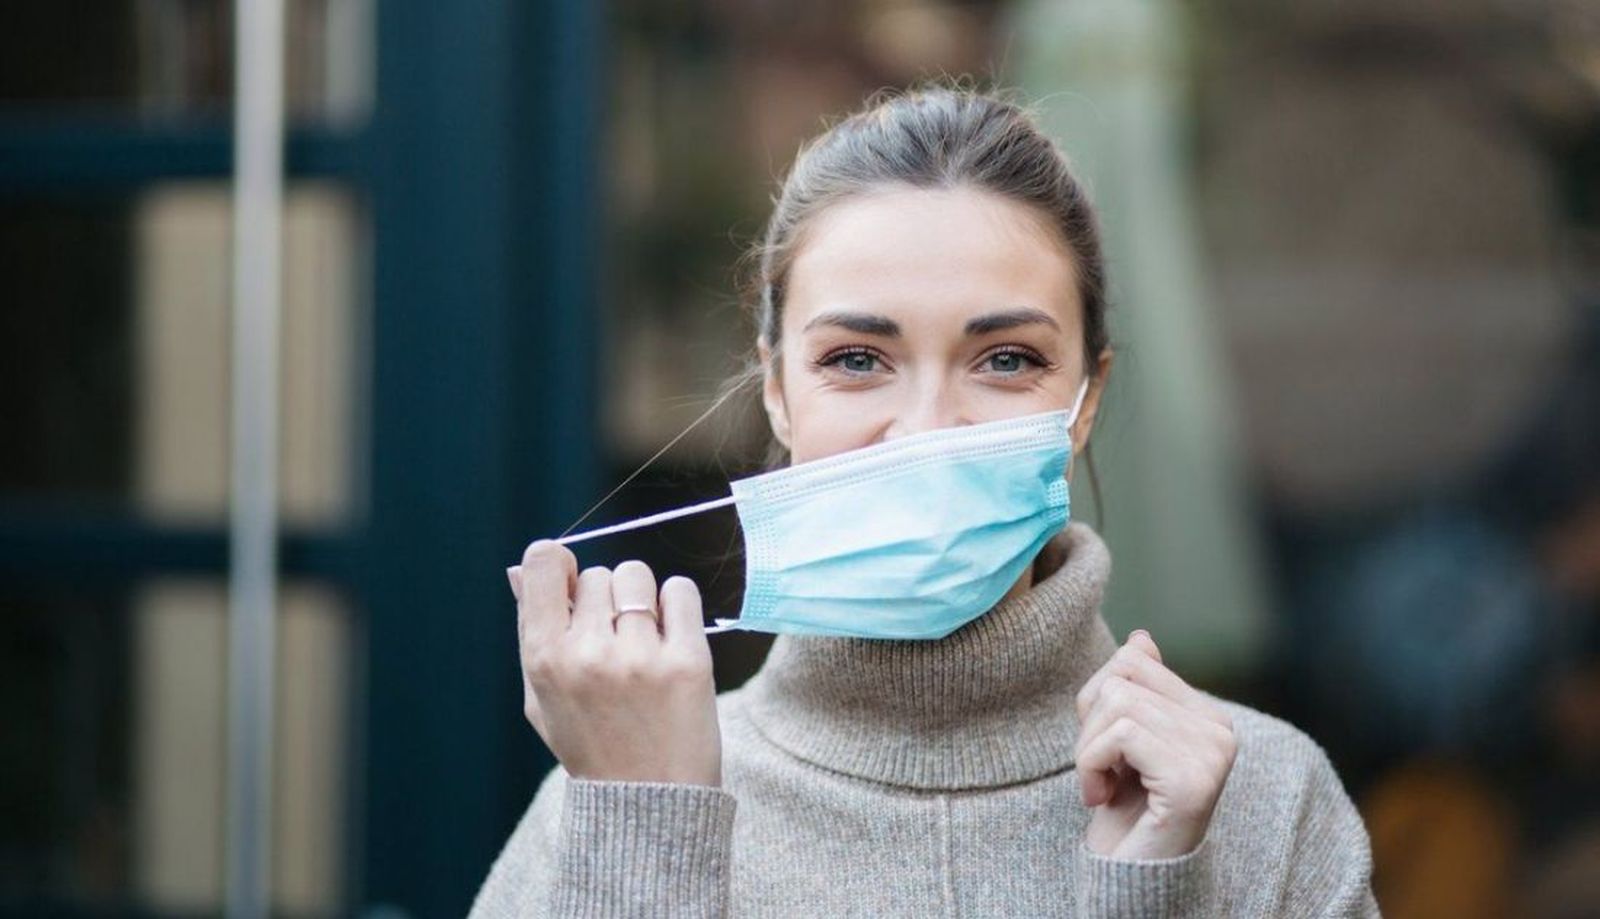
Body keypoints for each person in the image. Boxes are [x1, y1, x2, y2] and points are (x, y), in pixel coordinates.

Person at [469, 85, 1379, 917]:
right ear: (777, 389)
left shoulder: (1263, 798)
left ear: (1085, 402)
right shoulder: (611, 799)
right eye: (857, 360)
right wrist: (648, 834)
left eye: (1007, 358)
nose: (928, 429)